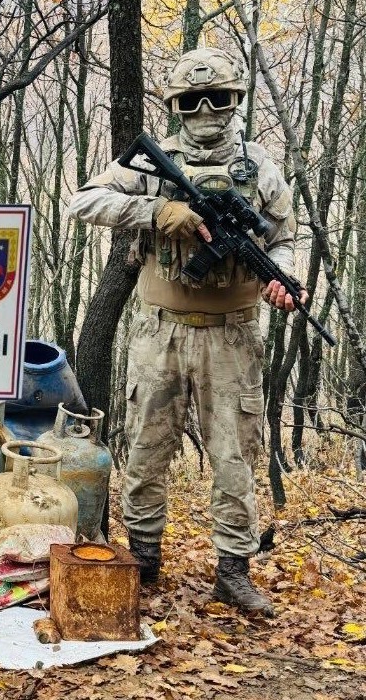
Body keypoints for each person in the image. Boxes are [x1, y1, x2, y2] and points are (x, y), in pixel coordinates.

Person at [69, 47, 304, 616]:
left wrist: (287, 279)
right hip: (159, 333)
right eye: (192, 100)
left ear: (235, 100)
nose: (205, 109)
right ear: (175, 106)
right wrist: (156, 213)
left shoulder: (261, 168)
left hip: (232, 335)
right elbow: (82, 200)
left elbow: (285, 240)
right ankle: (143, 559)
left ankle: (232, 570)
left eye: (217, 97)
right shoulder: (156, 162)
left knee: (234, 456)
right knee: (148, 448)